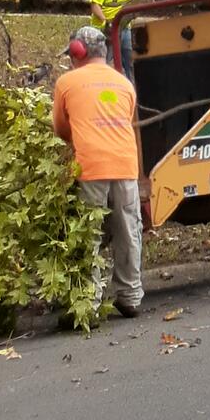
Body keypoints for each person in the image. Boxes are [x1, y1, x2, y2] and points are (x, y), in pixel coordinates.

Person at [52, 27, 144, 318]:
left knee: (88, 233)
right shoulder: (124, 83)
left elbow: (61, 129)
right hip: (125, 165)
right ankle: (130, 295)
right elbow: (125, 118)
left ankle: (87, 301)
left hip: (90, 166)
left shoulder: (66, 83)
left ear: (78, 52)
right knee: (127, 230)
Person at [88, 0, 136, 80]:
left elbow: (132, 2)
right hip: (105, 30)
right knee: (103, 62)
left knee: (129, 62)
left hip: (124, 28)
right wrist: (106, 21)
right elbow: (95, 5)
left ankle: (132, 92)